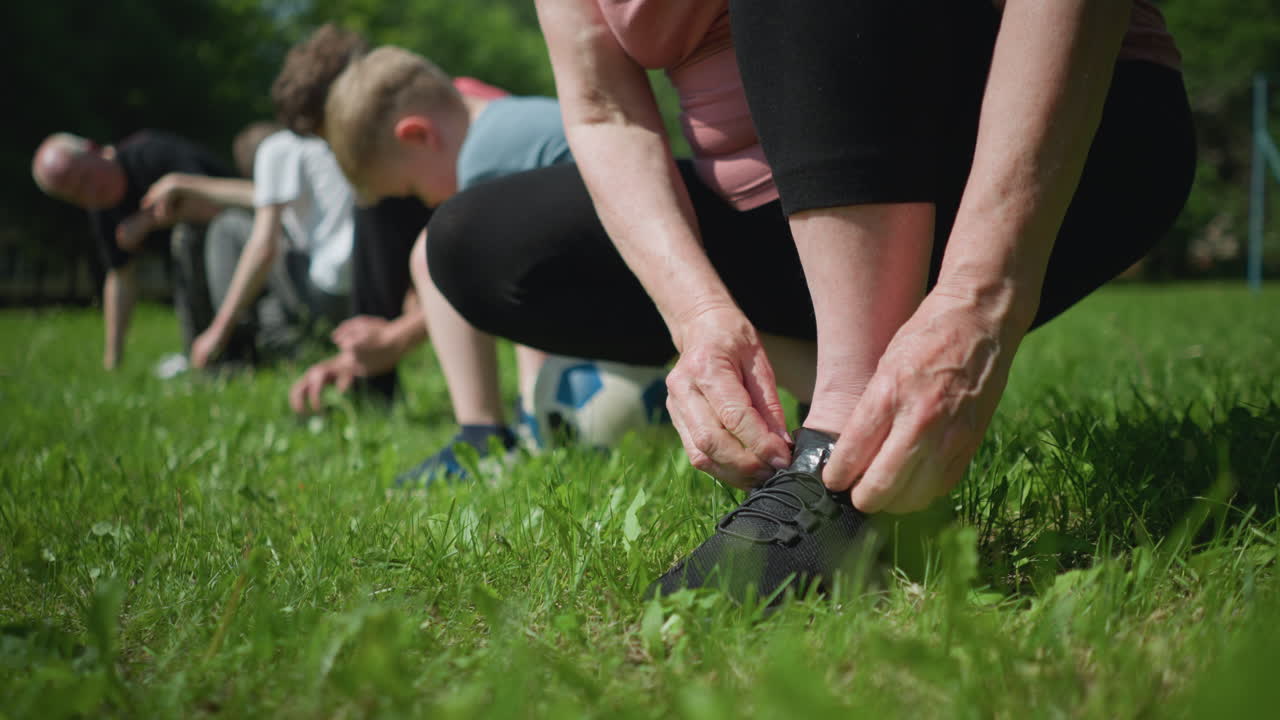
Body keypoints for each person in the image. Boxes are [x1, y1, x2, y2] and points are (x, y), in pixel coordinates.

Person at [422, 0, 1196, 602]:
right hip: (779, 219)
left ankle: (838, 462)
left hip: (1037, 145)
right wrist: (700, 317)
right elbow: (604, 110)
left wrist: (981, 293)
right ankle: (866, 394)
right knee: (474, 246)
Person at [323, 45, 580, 481]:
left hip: (622, 305)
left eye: (410, 187)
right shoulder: (507, 119)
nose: (421, 201)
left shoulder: (484, 162)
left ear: (419, 136)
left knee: (435, 248)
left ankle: (485, 433)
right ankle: (527, 418)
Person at [273, 24, 507, 410]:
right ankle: (366, 375)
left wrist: (398, 339)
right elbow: (433, 270)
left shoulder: (467, 134)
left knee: (376, 202)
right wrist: (361, 354)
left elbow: (486, 263)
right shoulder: (428, 150)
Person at [146, 125, 357, 369]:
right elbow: (255, 195)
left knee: (229, 227)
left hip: (325, 294)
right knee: (268, 292)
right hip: (356, 297)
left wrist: (219, 331)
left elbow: (263, 248)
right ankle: (288, 348)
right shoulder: (327, 150)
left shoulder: (284, 149)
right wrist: (182, 183)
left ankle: (232, 349)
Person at [31, 131, 236, 369]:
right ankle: (204, 356)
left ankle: (217, 352)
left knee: (186, 238)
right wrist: (113, 359)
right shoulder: (101, 208)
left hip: (242, 231)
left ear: (93, 149)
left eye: (86, 178)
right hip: (208, 273)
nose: (90, 193)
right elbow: (120, 276)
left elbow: (214, 204)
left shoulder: (147, 154)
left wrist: (148, 220)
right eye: (77, 195)